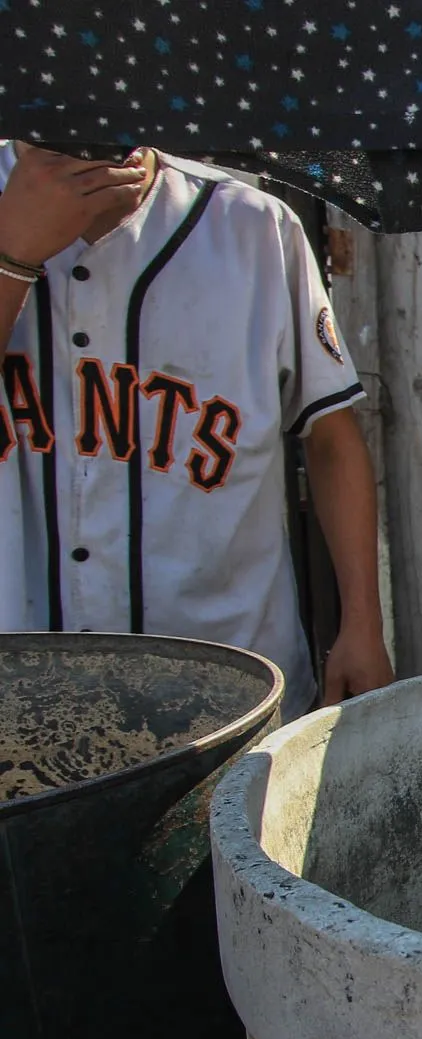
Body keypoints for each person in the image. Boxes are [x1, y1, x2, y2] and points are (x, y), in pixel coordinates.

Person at [0, 141, 393, 712]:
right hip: (17, 700)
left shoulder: (251, 225)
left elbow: (332, 440)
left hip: (227, 686)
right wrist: (11, 257)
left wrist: (362, 622)